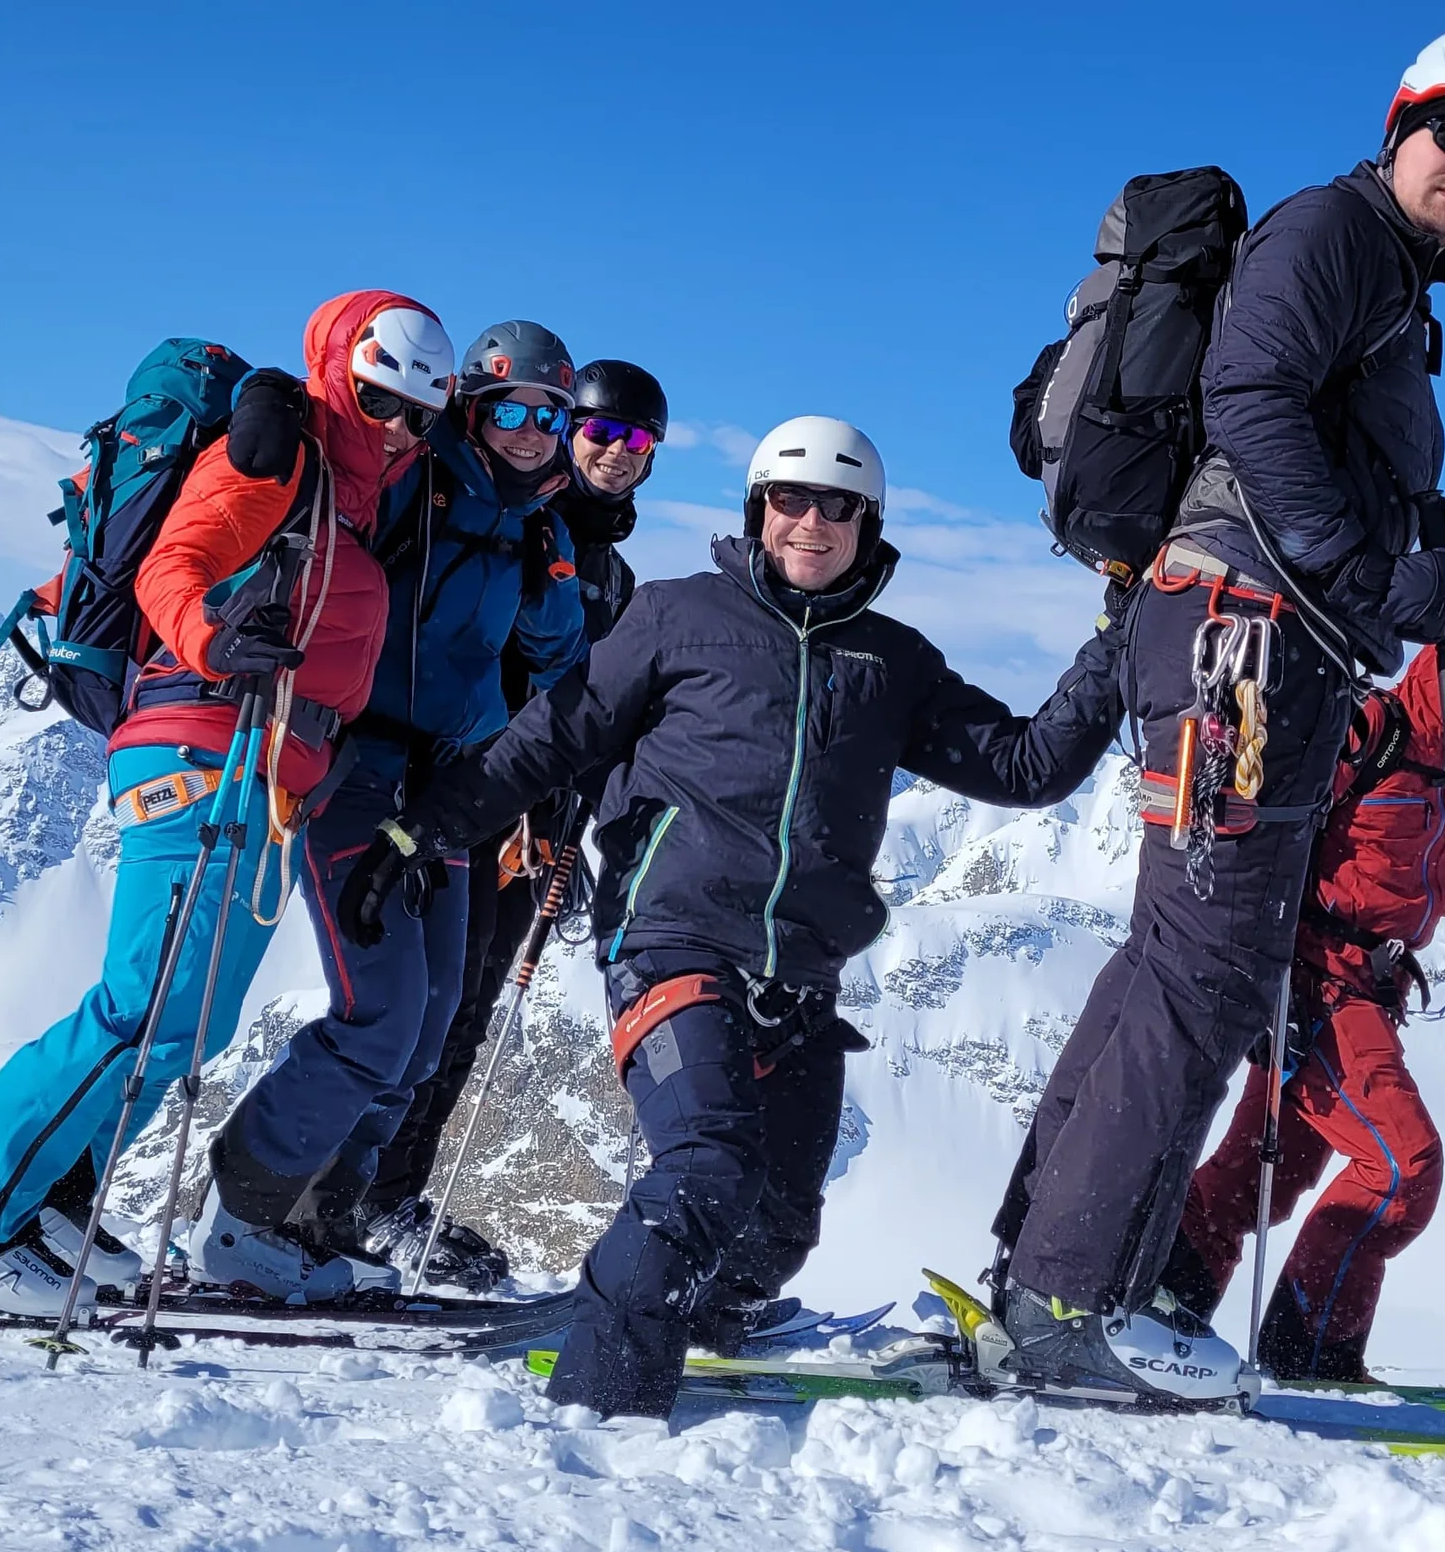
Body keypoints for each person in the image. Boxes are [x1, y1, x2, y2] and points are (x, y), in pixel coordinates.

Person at [991, 28, 1445, 1400]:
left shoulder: (1387, 276)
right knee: (1207, 973)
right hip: (1247, 636)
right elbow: (1248, 395)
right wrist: (1364, 568)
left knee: (1167, 962)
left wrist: (1418, 522)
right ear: (1401, 126)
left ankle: (1042, 1270)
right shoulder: (1336, 232)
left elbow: (1316, 423)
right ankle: (1069, 1303)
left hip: (1254, 633)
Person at [399, 413, 1127, 1416]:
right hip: (673, 943)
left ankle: (689, 1307)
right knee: (706, 1167)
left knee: (775, 1225)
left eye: (838, 505)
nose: (811, 522)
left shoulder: (895, 663)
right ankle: (600, 1397)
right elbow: (550, 737)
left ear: (868, 525)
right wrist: (421, 832)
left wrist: (1119, 644)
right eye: (791, 498)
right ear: (758, 509)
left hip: (798, 982)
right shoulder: (675, 617)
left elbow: (1025, 765)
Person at [0, 292, 434, 1316]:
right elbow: (171, 565)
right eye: (381, 399)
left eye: (420, 412)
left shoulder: (358, 489)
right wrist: (215, 639)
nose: (401, 425)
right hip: (201, 748)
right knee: (142, 1008)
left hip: (263, 769)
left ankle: (43, 1202)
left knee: (189, 1022)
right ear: (340, 372)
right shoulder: (280, 454)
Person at [189, 317, 586, 1290]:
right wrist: (272, 399)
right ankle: (242, 1208)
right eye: (511, 410)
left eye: (550, 417)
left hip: (447, 789)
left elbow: (560, 658)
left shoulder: (538, 527)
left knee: (434, 1015)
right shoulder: (413, 476)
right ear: (470, 408)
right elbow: (333, 457)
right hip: (353, 768)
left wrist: (550, 594)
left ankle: (323, 1217)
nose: (530, 431)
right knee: (382, 1010)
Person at [1164, 591, 1445, 1380]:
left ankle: (1157, 1310)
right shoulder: (1370, 731)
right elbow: (1272, 835)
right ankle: (1307, 1347)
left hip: (1365, 995)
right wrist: (1263, 975)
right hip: (1316, 989)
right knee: (1405, 1167)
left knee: (1254, 1179)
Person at [364, 356, 670, 1277]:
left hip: (536, 819)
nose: (617, 452)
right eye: (600, 431)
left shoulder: (612, 573)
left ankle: (388, 1192)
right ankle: (359, 1195)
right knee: (433, 999)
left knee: (468, 1003)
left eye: (638, 440)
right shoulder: (522, 525)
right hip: (468, 793)